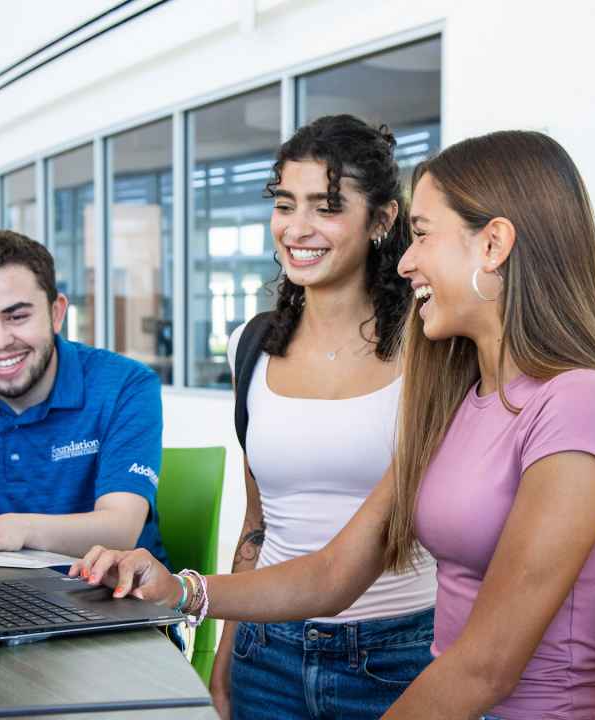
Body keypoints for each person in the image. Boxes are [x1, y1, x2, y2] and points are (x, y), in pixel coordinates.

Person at [74, 131, 595, 720]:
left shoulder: (581, 406)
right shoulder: (464, 402)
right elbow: (335, 572)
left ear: (492, 246)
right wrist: (182, 590)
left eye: (421, 235)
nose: (407, 261)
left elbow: (487, 666)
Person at [214, 115, 436, 720]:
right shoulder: (251, 346)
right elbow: (256, 526)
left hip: (398, 655)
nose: (297, 229)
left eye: (327, 207)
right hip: (267, 653)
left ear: (383, 220)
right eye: (286, 205)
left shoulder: (431, 347)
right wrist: (225, 657)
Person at [0, 230, 168, 565]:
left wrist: (18, 529)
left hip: (107, 601)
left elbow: (120, 528)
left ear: (57, 313)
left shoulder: (125, 384)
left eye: (17, 316)